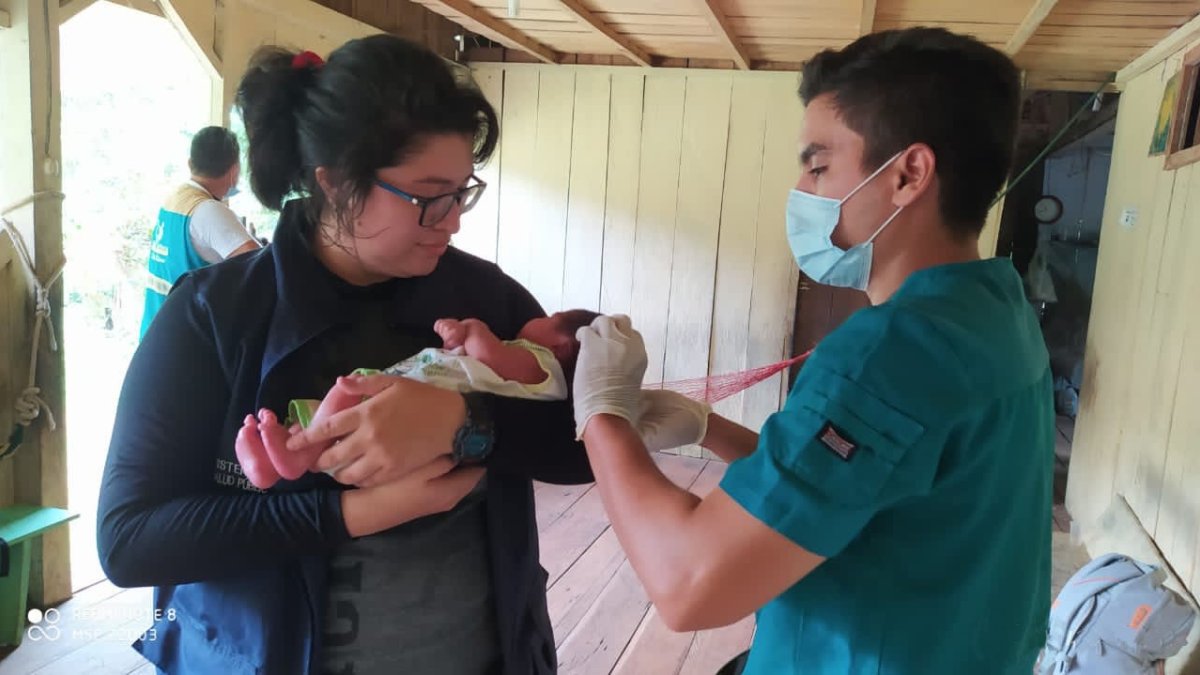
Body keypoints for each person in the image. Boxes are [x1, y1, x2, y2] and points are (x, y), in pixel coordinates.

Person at [568, 28, 1054, 674]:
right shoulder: (996, 311)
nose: (802, 189)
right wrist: (712, 429)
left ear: (908, 174)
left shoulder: (894, 349)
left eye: (819, 165)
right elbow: (877, 483)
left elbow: (689, 582)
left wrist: (601, 414)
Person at [98, 38, 591, 675]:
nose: (453, 221)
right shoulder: (215, 315)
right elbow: (130, 540)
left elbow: (587, 448)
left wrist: (466, 425)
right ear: (334, 183)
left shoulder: (483, 297)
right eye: (427, 196)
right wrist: (351, 512)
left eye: (462, 192)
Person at [237, 309, 599, 489]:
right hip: (415, 449)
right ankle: (282, 455)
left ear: (561, 345)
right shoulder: (539, 380)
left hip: (403, 408)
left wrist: (472, 328)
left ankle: (296, 452)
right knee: (339, 417)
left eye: (552, 317)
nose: (539, 316)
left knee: (352, 388)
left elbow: (489, 356)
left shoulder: (542, 364)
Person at [139, 126, 260, 338]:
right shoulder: (209, 211)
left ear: (190, 163)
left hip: (155, 335)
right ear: (234, 172)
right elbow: (260, 267)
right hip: (182, 343)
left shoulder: (175, 199)